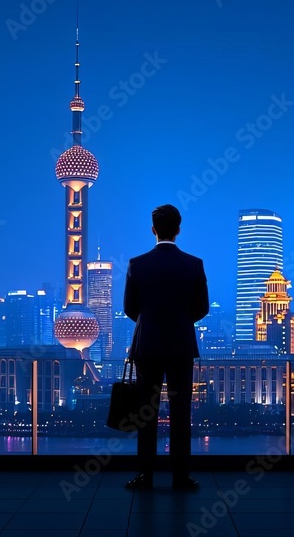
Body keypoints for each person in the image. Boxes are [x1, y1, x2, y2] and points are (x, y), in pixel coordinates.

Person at [123, 204, 209, 491]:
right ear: (179, 229)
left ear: (153, 229)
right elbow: (202, 308)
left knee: (146, 413)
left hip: (147, 347)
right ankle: (180, 477)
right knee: (181, 413)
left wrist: (152, 324)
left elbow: (129, 308)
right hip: (181, 347)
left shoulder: (137, 264)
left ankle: (145, 476)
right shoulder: (193, 264)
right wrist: (180, 322)